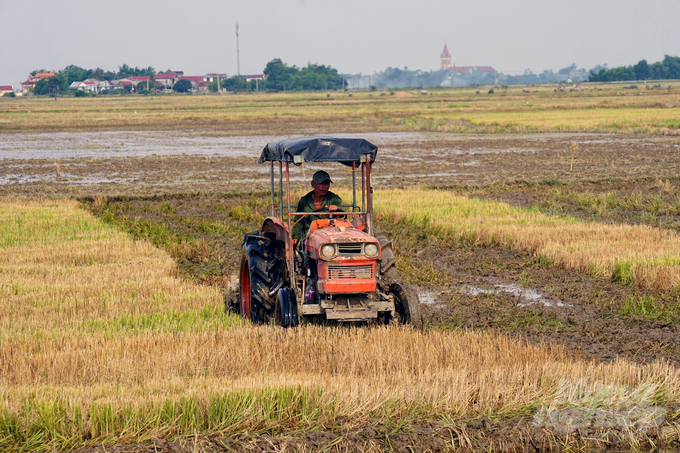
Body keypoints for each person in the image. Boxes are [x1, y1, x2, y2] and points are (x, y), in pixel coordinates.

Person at [292, 170, 343, 245]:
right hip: (309, 236)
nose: (324, 186)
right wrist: (295, 237)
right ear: (313, 184)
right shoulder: (304, 201)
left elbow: (342, 212)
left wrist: (336, 208)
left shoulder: (334, 198)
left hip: (330, 236)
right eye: (321, 183)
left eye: (327, 183)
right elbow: (298, 222)